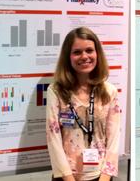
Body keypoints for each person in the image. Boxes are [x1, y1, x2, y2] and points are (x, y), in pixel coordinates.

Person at [46, 27, 120, 181]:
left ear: (97, 53)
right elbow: (53, 137)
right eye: (77, 52)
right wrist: (68, 177)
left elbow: (113, 138)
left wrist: (105, 177)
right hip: (66, 177)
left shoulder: (109, 91)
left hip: (100, 176)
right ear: (68, 57)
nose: (84, 56)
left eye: (89, 50)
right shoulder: (56, 91)